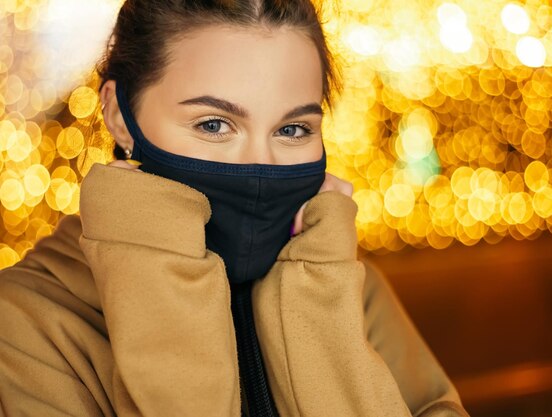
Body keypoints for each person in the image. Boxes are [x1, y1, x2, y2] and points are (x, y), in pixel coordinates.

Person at [0, 1, 469, 416]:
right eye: (213, 124)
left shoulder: (348, 286)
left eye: (292, 130)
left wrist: (315, 311)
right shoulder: (24, 319)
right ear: (120, 116)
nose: (259, 165)